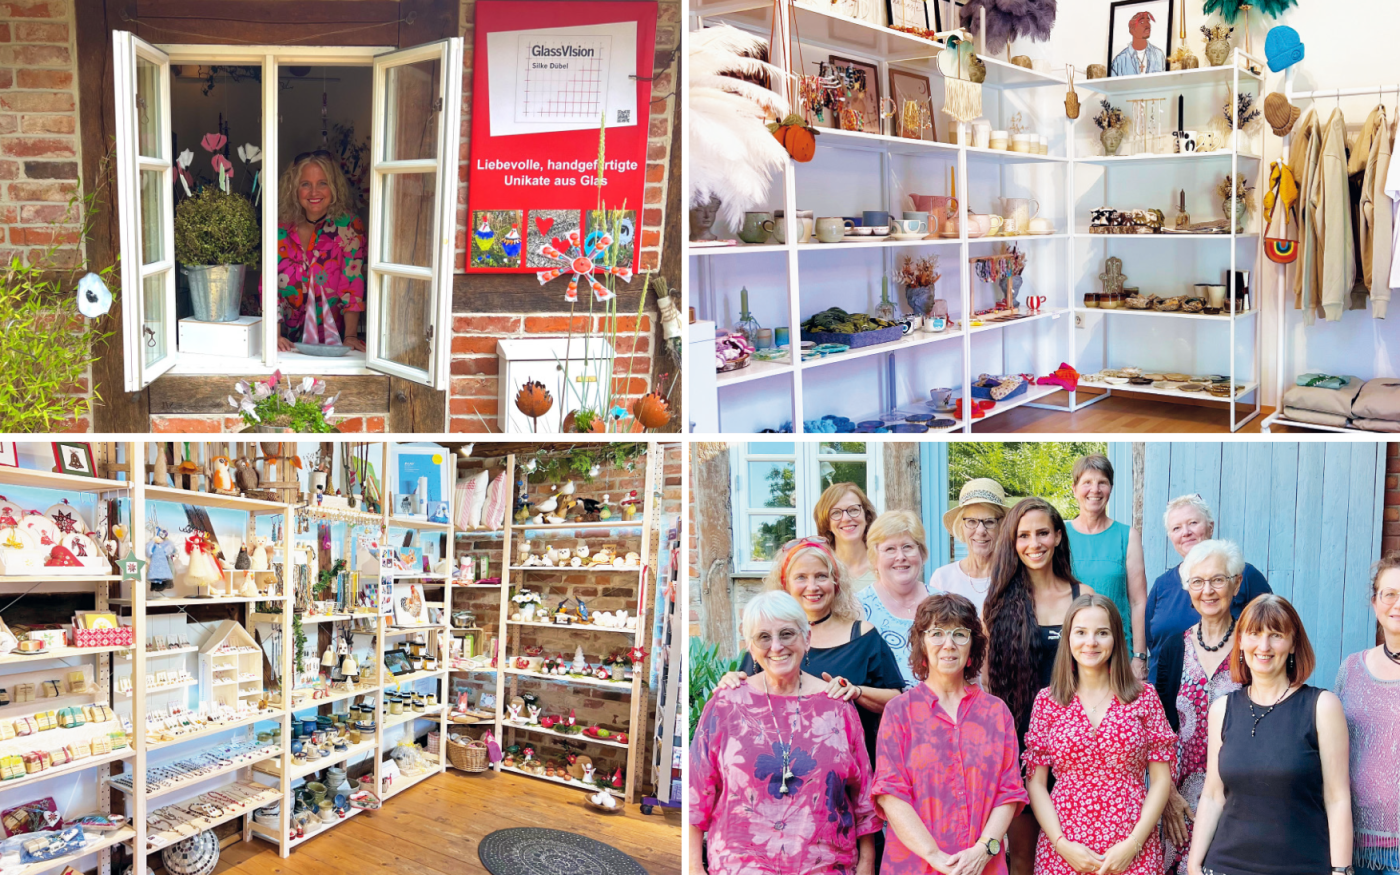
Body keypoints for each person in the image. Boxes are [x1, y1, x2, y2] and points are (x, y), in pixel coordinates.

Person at [688, 590, 882, 875]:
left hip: (827, 866)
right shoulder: (726, 704)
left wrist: (866, 864)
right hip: (740, 866)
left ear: (806, 638)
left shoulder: (837, 705)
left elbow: (863, 794)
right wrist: (694, 866)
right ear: (750, 647)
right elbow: (697, 791)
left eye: (787, 634)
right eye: (763, 637)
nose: (776, 646)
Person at [715, 538, 904, 785]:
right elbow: (746, 700)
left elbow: (896, 700)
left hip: (846, 776)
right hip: (776, 777)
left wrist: (855, 691)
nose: (812, 586)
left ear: (835, 582)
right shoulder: (770, 640)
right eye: (801, 577)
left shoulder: (863, 636)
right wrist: (732, 681)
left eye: (821, 576)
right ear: (785, 585)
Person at [1186, 594, 1352, 875]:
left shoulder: (1322, 707)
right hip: (1226, 866)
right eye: (1254, 634)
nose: (1264, 646)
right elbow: (1213, 795)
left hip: (1302, 867)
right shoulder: (1222, 710)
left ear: (1293, 644)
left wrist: (1341, 870)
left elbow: (1337, 798)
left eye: (1276, 635)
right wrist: (1194, 864)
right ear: (1241, 642)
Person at [873, 592, 1027, 875]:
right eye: (937, 633)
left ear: (972, 647)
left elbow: (1009, 793)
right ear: (922, 644)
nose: (948, 644)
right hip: (914, 866)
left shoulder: (996, 713)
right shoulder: (899, 712)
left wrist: (984, 850)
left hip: (981, 866)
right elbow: (890, 794)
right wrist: (934, 856)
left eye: (960, 634)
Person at [1023, 593, 1177, 875]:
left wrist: (1132, 845)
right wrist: (1061, 844)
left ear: (1116, 638)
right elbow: (1035, 783)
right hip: (1065, 849)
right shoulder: (1048, 701)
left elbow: (1160, 780)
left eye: (1102, 633)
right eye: (1081, 632)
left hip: (1132, 847)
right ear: (1068, 638)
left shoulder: (1144, 698)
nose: (1091, 642)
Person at [983, 497, 1095, 875]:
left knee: (1080, 847)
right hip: (1019, 743)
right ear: (1012, 542)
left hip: (1076, 742)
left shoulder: (1084, 596)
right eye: (1024, 535)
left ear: (1059, 536)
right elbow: (988, 682)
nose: (1034, 543)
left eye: (1043, 533)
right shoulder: (998, 604)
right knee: (1023, 857)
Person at [1154, 540, 1247, 875]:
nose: (1207, 590)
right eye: (1197, 581)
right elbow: (1160, 731)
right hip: (1179, 805)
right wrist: (1166, 795)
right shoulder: (1173, 648)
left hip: (1239, 800)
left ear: (1236, 583)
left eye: (1218, 580)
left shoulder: (1253, 648)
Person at [1145, 494, 1272, 682]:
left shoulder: (1245, 576)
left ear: (1211, 527)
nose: (1185, 532)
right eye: (1176, 528)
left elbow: (1270, 632)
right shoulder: (1162, 585)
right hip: (1164, 691)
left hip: (1234, 689)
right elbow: (1151, 639)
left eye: (1193, 523)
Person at [1335, 554, 1400, 875]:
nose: (1397, 604)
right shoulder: (1351, 669)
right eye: (1389, 594)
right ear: (1375, 603)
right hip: (1355, 842)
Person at [269, 151, 366, 351]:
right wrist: (274, 335)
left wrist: (350, 336)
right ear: (294, 189)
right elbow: (269, 285)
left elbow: (352, 282)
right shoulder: (280, 229)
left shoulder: (348, 226)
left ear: (334, 187)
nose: (314, 192)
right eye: (305, 184)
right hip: (285, 344)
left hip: (331, 344)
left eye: (322, 183)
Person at [1064, 453, 1148, 678]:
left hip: (1118, 651)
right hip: (1073, 652)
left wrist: (1139, 657)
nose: (1095, 489)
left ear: (1110, 488)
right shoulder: (1061, 535)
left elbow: (1138, 602)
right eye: (1087, 482)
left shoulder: (1127, 536)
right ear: (1074, 489)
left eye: (1102, 482)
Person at [859, 510, 939, 690]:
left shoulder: (944, 604)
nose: (900, 557)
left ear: (921, 553)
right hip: (881, 708)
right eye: (890, 549)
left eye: (907, 547)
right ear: (874, 558)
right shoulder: (857, 609)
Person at [929, 478, 1012, 617]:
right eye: (972, 521)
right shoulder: (943, 579)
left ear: (1002, 527)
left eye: (989, 522)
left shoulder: (1014, 576)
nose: (980, 531)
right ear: (961, 526)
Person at [816, 481, 878, 593]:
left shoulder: (884, 565)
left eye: (853, 510)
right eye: (836, 513)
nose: (846, 518)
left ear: (866, 516)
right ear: (827, 523)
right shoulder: (819, 568)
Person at [1111, 10, 1166, 76]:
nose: (1147, 25)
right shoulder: (1119, 61)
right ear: (1132, 30)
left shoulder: (1159, 55)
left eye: (1148, 21)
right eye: (1141, 22)